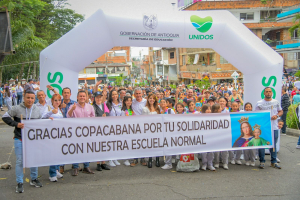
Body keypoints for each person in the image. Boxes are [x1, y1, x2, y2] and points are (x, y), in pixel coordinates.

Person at [2, 91, 43, 193]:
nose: (30, 100)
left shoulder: (37, 110)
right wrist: (16, 124)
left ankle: (34, 179)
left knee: (34, 159)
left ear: (35, 99)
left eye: (32, 98)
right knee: (20, 161)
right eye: (28, 98)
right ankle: (19, 182)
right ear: (24, 98)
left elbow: (41, 123)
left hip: (32, 140)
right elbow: (5, 117)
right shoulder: (17, 108)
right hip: (19, 138)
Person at [67, 90, 95, 176]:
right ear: (77, 97)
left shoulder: (90, 107)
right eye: (80, 96)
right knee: (76, 149)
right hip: (76, 132)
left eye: (84, 96)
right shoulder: (73, 106)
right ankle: (75, 167)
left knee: (86, 149)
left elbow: (93, 117)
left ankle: (86, 166)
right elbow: (68, 116)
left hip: (87, 132)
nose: (82, 97)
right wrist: (72, 109)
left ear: (86, 97)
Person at [255, 87, 283, 169]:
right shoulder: (259, 103)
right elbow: (256, 114)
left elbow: (281, 111)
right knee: (262, 145)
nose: (268, 93)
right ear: (264, 93)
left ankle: (273, 161)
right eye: (266, 91)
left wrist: (277, 116)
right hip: (263, 128)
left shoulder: (276, 102)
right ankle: (262, 161)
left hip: (274, 127)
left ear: (272, 93)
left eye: (270, 91)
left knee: (273, 145)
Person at [41, 94, 64, 182]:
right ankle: (52, 174)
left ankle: (56, 170)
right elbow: (43, 117)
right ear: (52, 101)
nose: (57, 102)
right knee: (53, 153)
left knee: (58, 153)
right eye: (55, 100)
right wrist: (50, 114)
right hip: (51, 135)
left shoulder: (60, 109)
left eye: (59, 100)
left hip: (59, 134)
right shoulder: (48, 108)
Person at [92, 91, 111, 171]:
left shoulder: (104, 105)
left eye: (100, 97)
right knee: (98, 146)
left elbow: (108, 114)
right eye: (97, 97)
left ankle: (103, 162)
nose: (99, 99)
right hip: (97, 129)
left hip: (105, 128)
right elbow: (94, 117)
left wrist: (105, 116)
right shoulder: (93, 107)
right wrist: (101, 118)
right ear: (94, 98)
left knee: (104, 145)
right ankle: (98, 163)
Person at [59, 87, 76, 174]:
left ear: (70, 94)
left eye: (68, 92)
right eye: (65, 92)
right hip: (62, 129)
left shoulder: (74, 103)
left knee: (73, 146)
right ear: (62, 94)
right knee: (63, 147)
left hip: (72, 128)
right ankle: (61, 166)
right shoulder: (59, 103)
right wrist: (62, 109)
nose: (66, 94)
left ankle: (75, 165)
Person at [142, 94, 161, 168]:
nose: (151, 100)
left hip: (157, 129)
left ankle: (157, 159)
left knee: (157, 144)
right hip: (149, 129)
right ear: (148, 99)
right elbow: (143, 120)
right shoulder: (145, 108)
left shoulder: (158, 107)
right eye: (150, 98)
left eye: (153, 98)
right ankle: (150, 159)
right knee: (150, 144)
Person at [106, 89, 122, 167]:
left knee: (116, 143)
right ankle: (110, 159)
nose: (114, 96)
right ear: (110, 96)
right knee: (110, 143)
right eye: (113, 95)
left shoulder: (121, 103)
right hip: (110, 126)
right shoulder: (108, 104)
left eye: (116, 94)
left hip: (119, 126)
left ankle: (115, 158)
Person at [212, 103, 229, 170]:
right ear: (216, 110)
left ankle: (225, 163)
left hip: (224, 135)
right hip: (216, 136)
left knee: (225, 150)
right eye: (219, 108)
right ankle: (216, 162)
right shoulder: (211, 117)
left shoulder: (224, 115)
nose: (221, 108)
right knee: (216, 151)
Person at [200, 104, 215, 171]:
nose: (208, 111)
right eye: (207, 109)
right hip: (204, 136)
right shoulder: (200, 117)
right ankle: (204, 164)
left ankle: (210, 164)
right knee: (204, 152)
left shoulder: (213, 117)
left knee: (211, 151)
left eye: (209, 109)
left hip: (211, 136)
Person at [242, 102, 257, 166]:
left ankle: (253, 161)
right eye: (246, 107)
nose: (248, 108)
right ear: (244, 108)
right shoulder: (242, 116)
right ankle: (247, 160)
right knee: (246, 148)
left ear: (251, 108)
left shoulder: (254, 115)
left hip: (252, 134)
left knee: (253, 149)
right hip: (245, 135)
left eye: (249, 107)